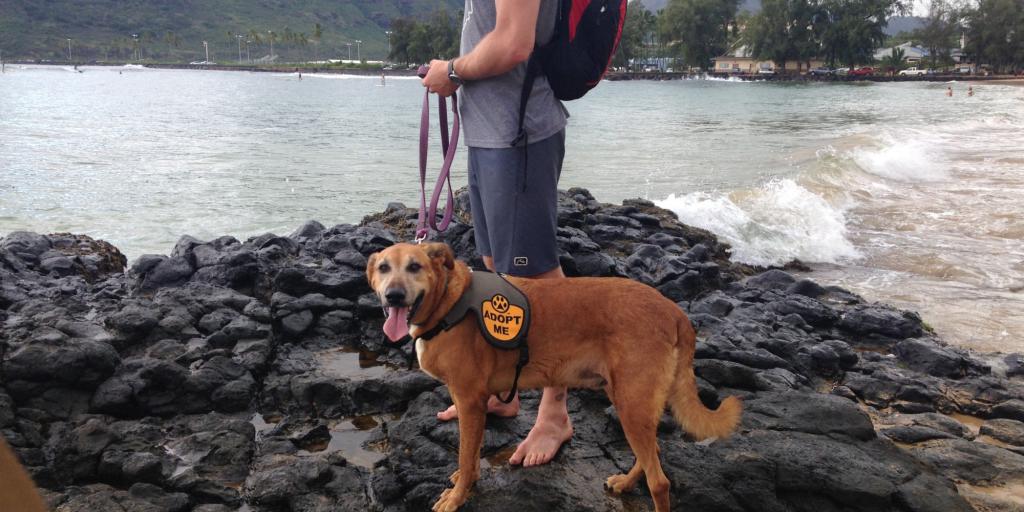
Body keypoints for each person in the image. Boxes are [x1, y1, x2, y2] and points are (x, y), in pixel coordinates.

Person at [421, 0, 572, 468]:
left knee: (538, 279)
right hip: (492, 134)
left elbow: (513, 43)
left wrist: (453, 70)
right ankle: (506, 389)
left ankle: (555, 414)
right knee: (495, 267)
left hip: (518, 134)